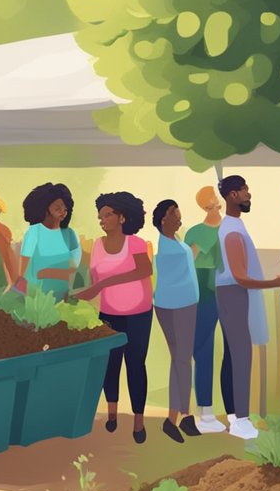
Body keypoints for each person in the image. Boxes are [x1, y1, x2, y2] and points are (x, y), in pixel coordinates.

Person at [215, 175, 280, 440]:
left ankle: (235, 416)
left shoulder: (234, 225)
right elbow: (240, 276)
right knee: (240, 355)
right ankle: (241, 420)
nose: (249, 193)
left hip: (232, 294)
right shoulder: (232, 231)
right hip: (233, 294)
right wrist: (276, 281)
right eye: (244, 190)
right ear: (231, 195)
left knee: (233, 355)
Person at [75, 192, 153, 444]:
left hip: (138, 314)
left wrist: (105, 284)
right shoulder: (97, 245)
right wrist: (83, 294)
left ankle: (138, 422)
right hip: (108, 313)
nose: (102, 220)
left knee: (135, 365)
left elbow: (144, 270)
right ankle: (112, 414)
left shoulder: (136, 243)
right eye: (100, 216)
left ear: (122, 216)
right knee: (110, 365)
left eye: (107, 215)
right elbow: (95, 280)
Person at [151, 199, 202, 442]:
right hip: (179, 306)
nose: (180, 218)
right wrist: (195, 251)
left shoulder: (172, 243)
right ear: (164, 219)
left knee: (179, 360)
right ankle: (185, 415)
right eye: (175, 215)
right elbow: (184, 263)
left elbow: (186, 260)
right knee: (183, 360)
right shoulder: (169, 248)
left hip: (171, 305)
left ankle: (173, 418)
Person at [185, 186, 232, 433]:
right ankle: (206, 413)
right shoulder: (196, 232)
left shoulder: (230, 228)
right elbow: (189, 265)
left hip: (228, 287)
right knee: (202, 349)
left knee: (233, 350)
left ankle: (235, 414)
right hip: (204, 290)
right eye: (211, 197)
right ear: (205, 204)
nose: (216, 200)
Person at [19, 183, 81, 298]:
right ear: (44, 207)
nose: (62, 211)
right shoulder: (34, 232)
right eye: (57, 208)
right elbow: (24, 267)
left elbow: (73, 269)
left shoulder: (69, 234)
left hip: (63, 295)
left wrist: (47, 273)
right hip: (37, 295)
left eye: (65, 209)